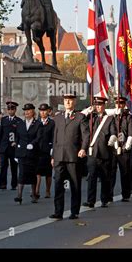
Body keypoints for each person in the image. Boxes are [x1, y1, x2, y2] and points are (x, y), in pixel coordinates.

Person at [49, 92, 89, 220]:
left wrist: (83, 149)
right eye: (66, 100)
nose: (67, 102)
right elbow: (55, 137)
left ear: (74, 102)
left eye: (70, 100)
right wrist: (53, 156)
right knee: (58, 184)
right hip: (59, 156)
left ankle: (74, 211)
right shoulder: (58, 117)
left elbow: (86, 135)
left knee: (75, 184)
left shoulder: (80, 117)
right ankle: (58, 211)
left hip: (73, 156)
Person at [83, 97, 117, 208]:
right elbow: (81, 121)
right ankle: (90, 201)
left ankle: (104, 199)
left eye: (100, 105)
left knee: (105, 178)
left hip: (104, 151)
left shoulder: (109, 118)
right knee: (91, 177)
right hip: (92, 152)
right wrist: (88, 111)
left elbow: (113, 131)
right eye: (96, 105)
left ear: (104, 106)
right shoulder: (91, 117)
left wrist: (113, 138)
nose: (98, 107)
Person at [13, 103, 42, 204]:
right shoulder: (20, 123)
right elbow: (17, 139)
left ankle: (34, 195)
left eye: (29, 110)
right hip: (22, 153)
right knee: (21, 173)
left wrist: (33, 144)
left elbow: (39, 137)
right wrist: (16, 153)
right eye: (25, 111)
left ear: (33, 112)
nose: (27, 112)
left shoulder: (38, 124)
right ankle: (19, 196)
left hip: (33, 153)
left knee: (32, 174)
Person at [110, 96, 132, 202]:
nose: (118, 106)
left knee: (125, 172)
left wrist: (128, 143)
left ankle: (125, 194)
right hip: (112, 147)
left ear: (124, 105)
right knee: (111, 172)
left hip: (124, 147)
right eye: (117, 103)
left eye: (121, 104)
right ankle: (109, 194)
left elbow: (131, 132)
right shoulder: (111, 117)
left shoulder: (128, 117)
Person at [0, 101, 22, 190]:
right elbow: (0, 133)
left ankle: (14, 184)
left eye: (12, 109)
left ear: (15, 110)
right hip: (4, 146)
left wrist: (17, 142)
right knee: (3, 165)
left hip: (13, 147)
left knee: (14, 166)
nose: (10, 111)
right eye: (9, 109)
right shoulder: (4, 120)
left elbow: (20, 135)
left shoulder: (18, 121)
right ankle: (2, 184)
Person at [35, 103, 55, 199]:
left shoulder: (52, 123)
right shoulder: (36, 122)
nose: (42, 112)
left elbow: (54, 137)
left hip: (47, 150)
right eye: (41, 110)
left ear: (48, 111)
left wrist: (52, 149)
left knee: (48, 173)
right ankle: (36, 191)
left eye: (44, 110)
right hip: (38, 150)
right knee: (37, 172)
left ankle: (47, 191)